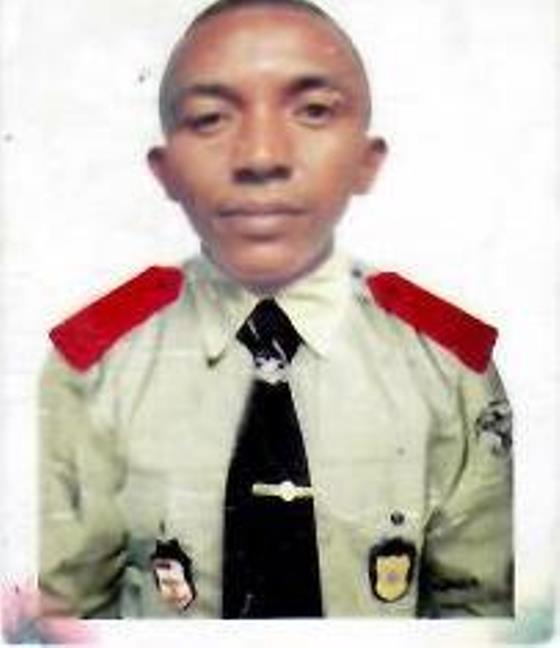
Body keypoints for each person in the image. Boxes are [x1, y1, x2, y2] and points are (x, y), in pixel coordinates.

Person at [38, 0, 513, 619]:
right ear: (165, 169)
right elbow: (56, 618)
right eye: (210, 118)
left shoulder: (448, 370)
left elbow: (488, 615)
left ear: (367, 160)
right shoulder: (93, 371)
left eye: (313, 111)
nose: (261, 157)